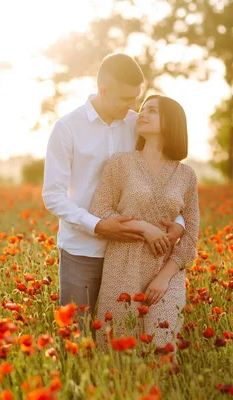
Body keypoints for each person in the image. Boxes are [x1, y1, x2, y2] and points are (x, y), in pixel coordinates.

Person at [42, 53, 186, 330]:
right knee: (76, 334)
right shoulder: (67, 128)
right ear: (103, 90)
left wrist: (178, 223)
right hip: (82, 250)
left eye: (137, 98)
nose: (134, 106)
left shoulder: (137, 124)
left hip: (132, 254)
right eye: (126, 99)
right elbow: (53, 195)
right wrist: (98, 225)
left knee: (122, 337)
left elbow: (172, 177)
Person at [89, 94, 200, 349]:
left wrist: (164, 277)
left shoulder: (186, 175)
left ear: (171, 122)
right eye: (142, 109)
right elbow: (99, 209)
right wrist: (143, 227)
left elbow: (191, 235)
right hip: (122, 267)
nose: (142, 114)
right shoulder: (120, 163)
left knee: (161, 349)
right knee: (117, 350)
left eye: (152, 110)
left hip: (167, 273)